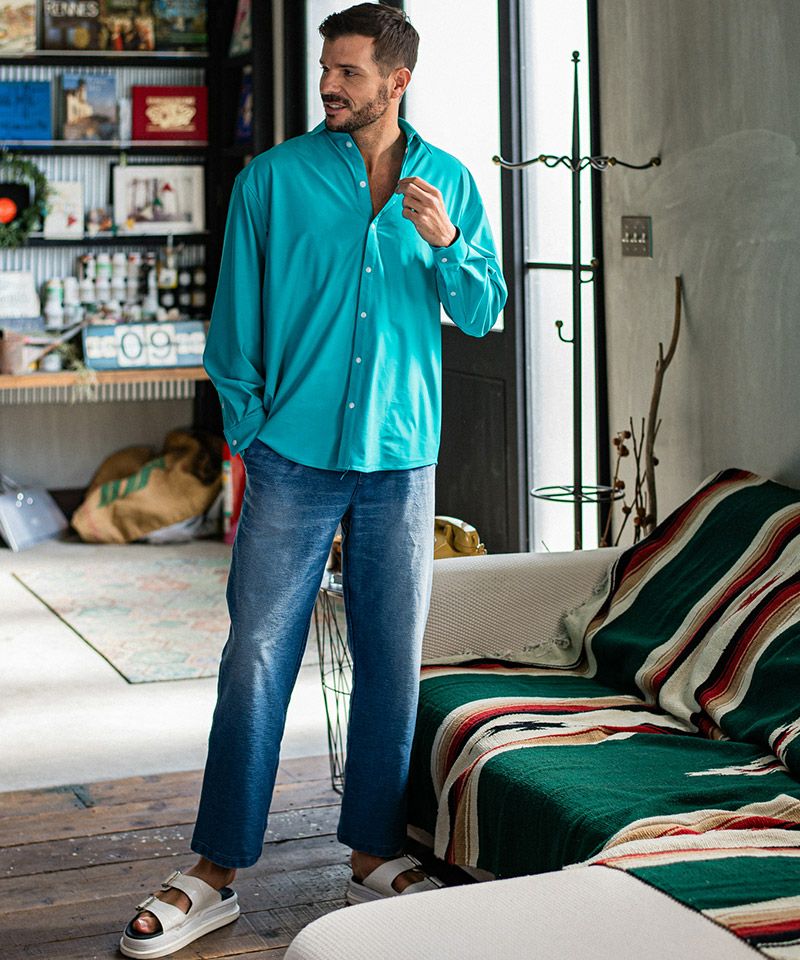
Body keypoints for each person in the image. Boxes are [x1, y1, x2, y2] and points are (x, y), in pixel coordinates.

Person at [119, 4, 506, 957]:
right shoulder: (273, 179)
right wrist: (252, 433)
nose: (328, 84)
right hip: (290, 457)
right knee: (257, 656)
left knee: (390, 659)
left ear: (397, 81)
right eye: (326, 68)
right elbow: (234, 324)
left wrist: (449, 240)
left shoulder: (450, 182)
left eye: (348, 72)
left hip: (399, 459)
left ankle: (374, 852)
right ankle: (214, 871)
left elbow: (484, 310)